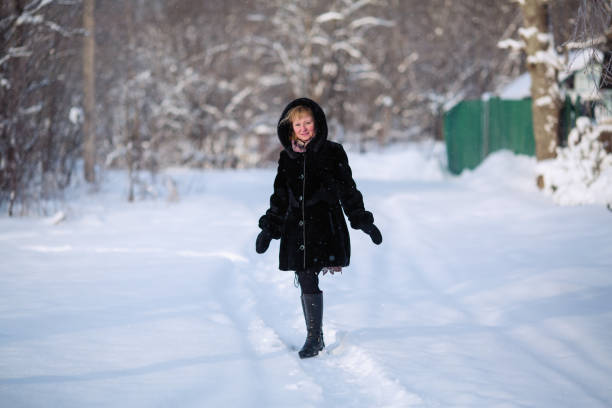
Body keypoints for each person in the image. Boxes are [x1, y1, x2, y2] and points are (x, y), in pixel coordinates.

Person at [255, 97, 382, 359]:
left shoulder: (332, 152)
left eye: (308, 122)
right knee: (304, 276)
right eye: (297, 124)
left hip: (323, 226)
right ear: (290, 128)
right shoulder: (286, 157)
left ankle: (314, 337)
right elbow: (280, 195)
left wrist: (362, 220)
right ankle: (315, 336)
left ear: (317, 123)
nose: (303, 128)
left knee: (309, 273)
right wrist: (270, 228)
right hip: (295, 228)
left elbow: (348, 190)